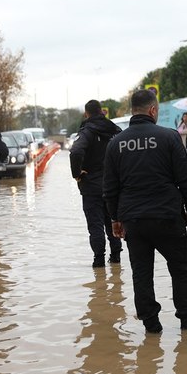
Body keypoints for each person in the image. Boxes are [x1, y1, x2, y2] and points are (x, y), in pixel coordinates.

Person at [103, 89, 187, 334]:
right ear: (153, 110)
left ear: (132, 110)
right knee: (181, 270)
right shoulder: (169, 137)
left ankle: (151, 326)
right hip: (168, 217)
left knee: (141, 273)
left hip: (134, 220)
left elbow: (110, 187)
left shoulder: (116, 143)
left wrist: (115, 219)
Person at [69, 99, 123, 267]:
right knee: (113, 221)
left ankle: (99, 261)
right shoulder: (116, 130)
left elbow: (75, 152)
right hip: (113, 186)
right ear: (102, 111)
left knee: (95, 225)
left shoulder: (87, 131)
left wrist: (77, 174)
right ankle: (116, 258)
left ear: (87, 113)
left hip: (92, 186)